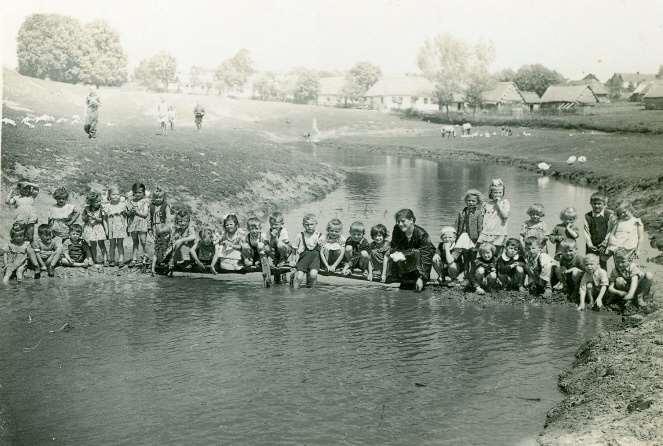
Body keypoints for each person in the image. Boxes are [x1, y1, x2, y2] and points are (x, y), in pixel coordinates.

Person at [389, 209, 435, 292]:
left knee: (415, 252)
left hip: (419, 263)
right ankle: (397, 276)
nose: (400, 224)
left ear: (411, 220)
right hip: (406, 260)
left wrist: (422, 278)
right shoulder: (397, 229)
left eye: (403, 221)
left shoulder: (422, 235)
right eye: (398, 221)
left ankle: (417, 277)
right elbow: (393, 246)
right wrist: (396, 253)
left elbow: (426, 259)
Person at [477, 179, 510, 255]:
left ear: (503, 193)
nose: (498, 194)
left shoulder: (505, 202)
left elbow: (505, 216)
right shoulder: (486, 204)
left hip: (499, 233)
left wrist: (498, 204)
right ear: (491, 193)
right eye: (495, 192)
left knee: (497, 254)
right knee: (484, 253)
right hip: (486, 233)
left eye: (500, 192)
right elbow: (481, 219)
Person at [583, 192, 616, 269]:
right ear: (591, 203)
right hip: (592, 245)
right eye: (594, 204)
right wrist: (590, 244)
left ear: (604, 204)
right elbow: (586, 232)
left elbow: (612, 230)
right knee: (590, 263)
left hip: (605, 244)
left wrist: (605, 243)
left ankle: (604, 279)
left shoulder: (609, 215)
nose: (597, 206)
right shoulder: (587, 216)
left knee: (602, 263)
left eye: (599, 204)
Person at [455, 189, 483, 274]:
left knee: (473, 258)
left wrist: (479, 241)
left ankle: (472, 276)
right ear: (465, 201)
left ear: (477, 202)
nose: (470, 202)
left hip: (474, 239)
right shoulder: (461, 213)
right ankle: (465, 276)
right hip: (463, 239)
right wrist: (456, 237)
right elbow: (457, 226)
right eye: (468, 201)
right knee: (465, 258)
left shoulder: (479, 213)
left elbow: (480, 228)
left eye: (473, 201)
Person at [291, 214, 321, 289]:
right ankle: (294, 292)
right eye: (307, 224)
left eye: (311, 224)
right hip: (303, 260)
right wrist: (293, 260)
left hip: (315, 260)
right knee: (299, 277)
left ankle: (312, 291)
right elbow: (294, 250)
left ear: (316, 224)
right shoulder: (300, 235)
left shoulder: (319, 236)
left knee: (313, 275)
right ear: (303, 225)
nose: (309, 226)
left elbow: (324, 250)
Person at [241, 218, 272, 286]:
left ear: (260, 228)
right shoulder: (247, 237)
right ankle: (250, 260)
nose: (254, 231)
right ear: (248, 229)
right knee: (244, 246)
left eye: (256, 229)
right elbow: (244, 250)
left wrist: (265, 252)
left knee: (260, 245)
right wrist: (245, 257)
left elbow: (268, 249)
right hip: (252, 254)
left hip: (261, 255)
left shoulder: (263, 236)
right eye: (252, 229)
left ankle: (260, 262)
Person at [126, 182, 150, 265]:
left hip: (142, 223)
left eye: (140, 192)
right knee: (135, 241)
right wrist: (131, 212)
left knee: (143, 241)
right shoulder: (131, 201)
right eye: (135, 192)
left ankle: (145, 255)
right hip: (133, 223)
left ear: (143, 192)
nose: (137, 194)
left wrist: (136, 212)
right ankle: (134, 258)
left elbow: (145, 214)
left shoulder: (145, 201)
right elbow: (128, 214)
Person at [103, 186, 128, 267]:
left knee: (120, 244)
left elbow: (125, 218)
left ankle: (121, 260)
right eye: (113, 194)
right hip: (111, 228)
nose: (116, 196)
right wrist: (106, 230)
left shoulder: (123, 205)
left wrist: (125, 227)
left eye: (118, 194)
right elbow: (104, 219)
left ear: (120, 195)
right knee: (112, 244)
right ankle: (112, 260)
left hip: (120, 227)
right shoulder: (107, 206)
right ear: (109, 196)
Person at [82, 191, 107, 265]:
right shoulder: (86, 208)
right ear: (91, 202)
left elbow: (102, 219)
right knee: (93, 244)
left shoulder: (101, 208)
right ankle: (94, 259)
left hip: (98, 227)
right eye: (96, 202)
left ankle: (105, 259)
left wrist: (94, 218)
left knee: (101, 244)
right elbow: (83, 218)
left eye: (99, 201)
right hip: (90, 227)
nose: (99, 203)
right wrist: (87, 217)